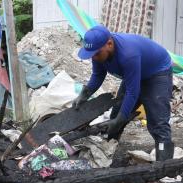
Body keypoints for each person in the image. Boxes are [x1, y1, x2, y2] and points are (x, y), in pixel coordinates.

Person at [73, 25, 175, 161]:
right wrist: (83, 95)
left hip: (157, 72)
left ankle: (165, 166)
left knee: (158, 122)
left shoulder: (128, 54)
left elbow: (133, 91)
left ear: (109, 44)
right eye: (92, 55)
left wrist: (121, 119)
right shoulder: (98, 52)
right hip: (134, 73)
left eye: (96, 54)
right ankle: (107, 155)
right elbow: (97, 75)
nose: (94, 58)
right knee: (116, 114)